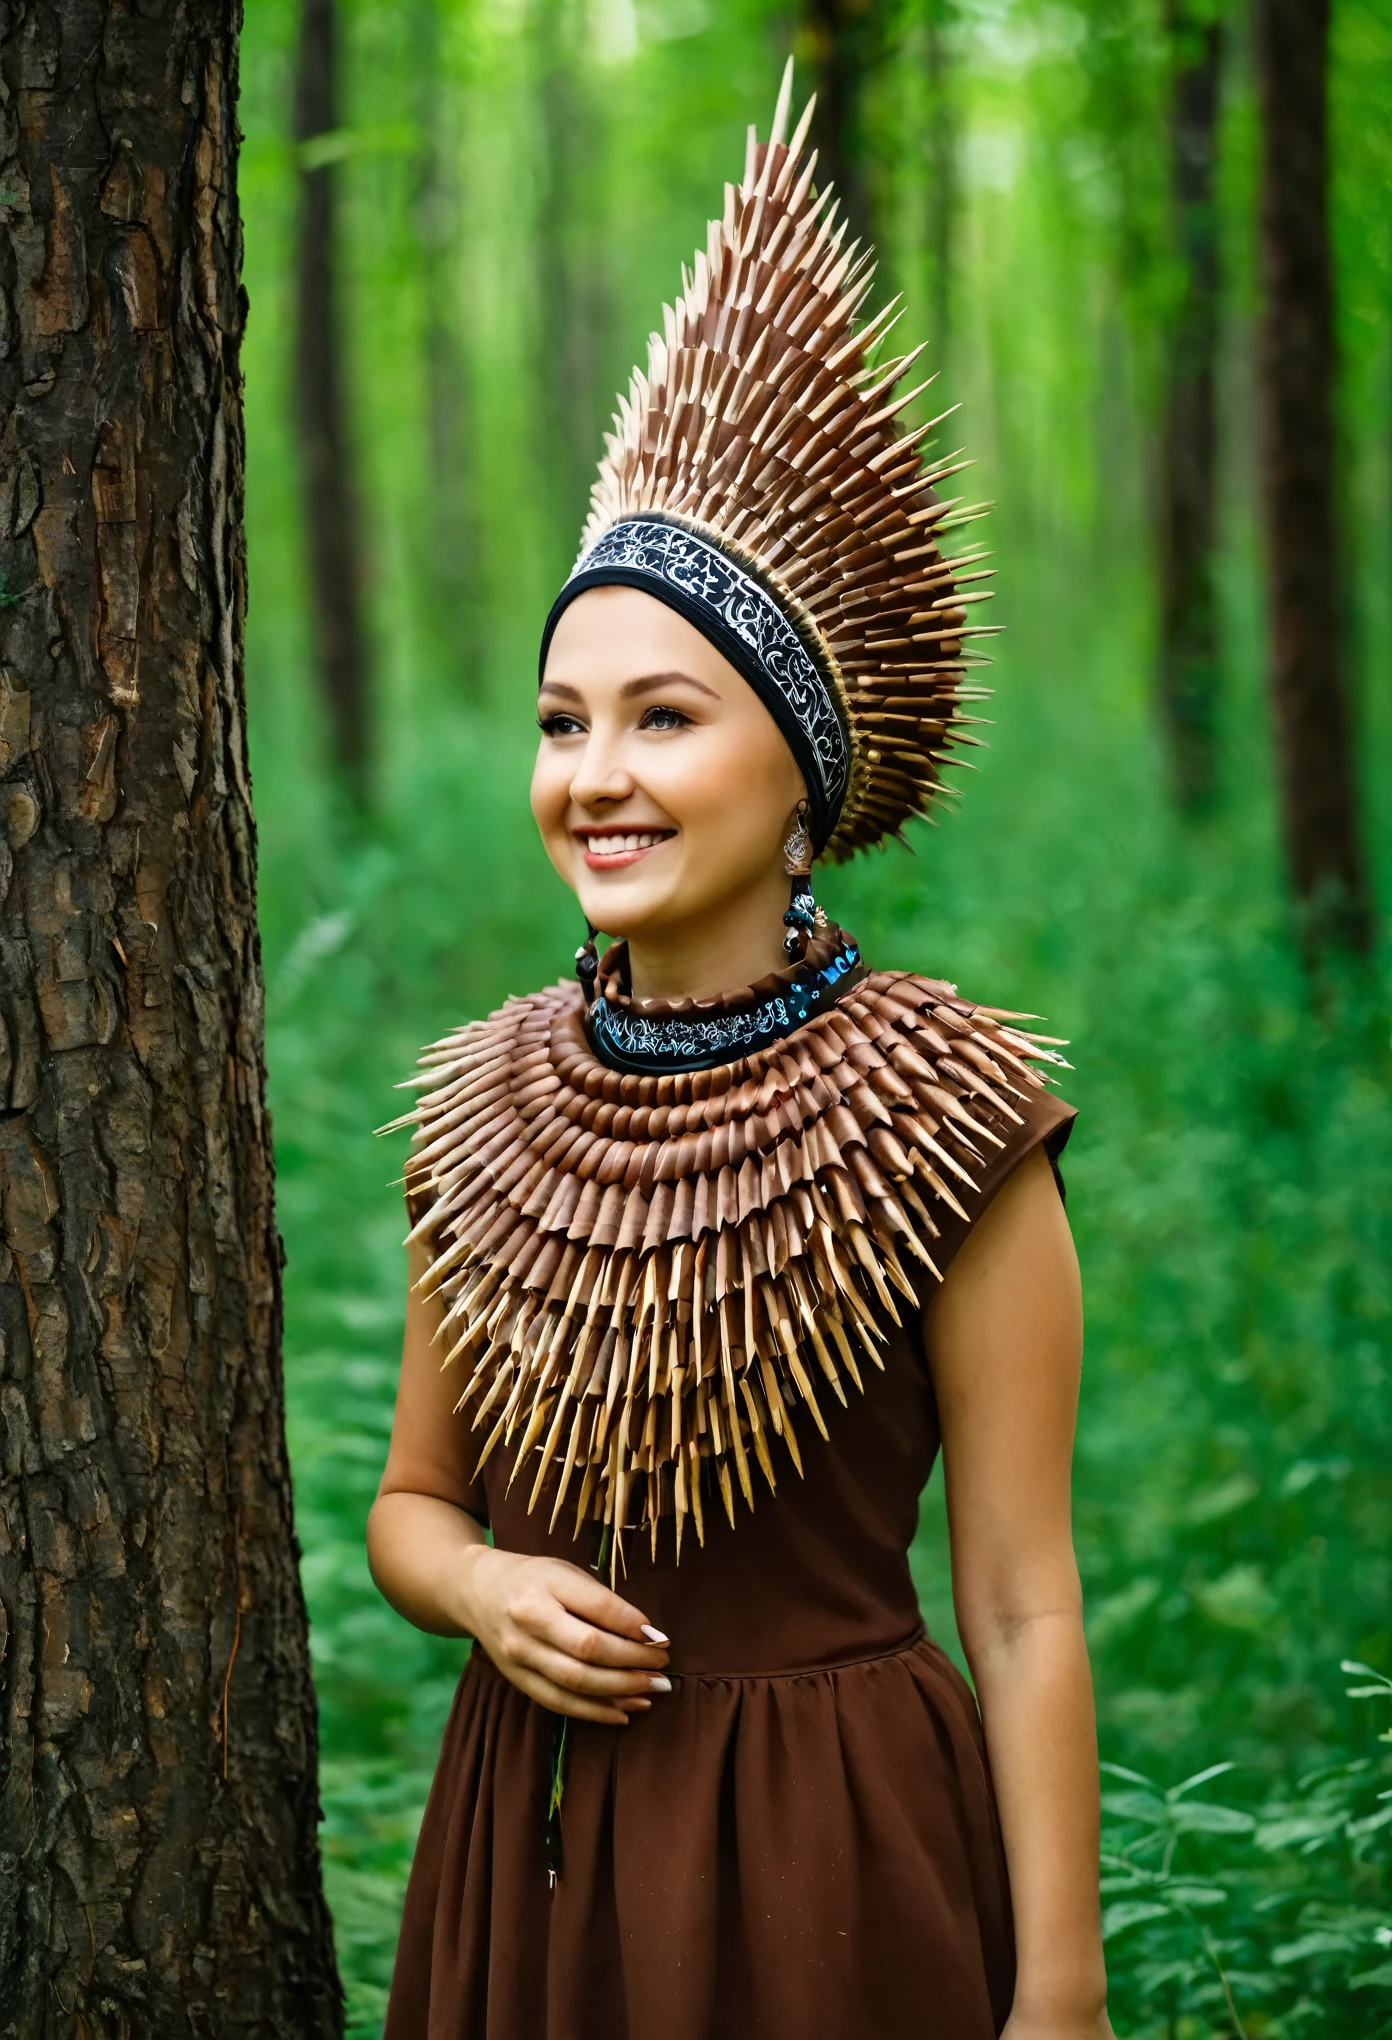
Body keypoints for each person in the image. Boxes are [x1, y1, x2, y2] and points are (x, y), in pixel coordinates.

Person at [369, 62, 1113, 2040]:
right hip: (528, 1856)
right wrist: (481, 1594)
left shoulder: (953, 1119)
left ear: (805, 780)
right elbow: (414, 1501)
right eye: (559, 720)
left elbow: (1025, 1600)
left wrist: (1064, 1997)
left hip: (836, 1861)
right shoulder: (484, 1105)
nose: (596, 775)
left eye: (665, 718)